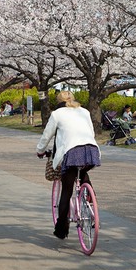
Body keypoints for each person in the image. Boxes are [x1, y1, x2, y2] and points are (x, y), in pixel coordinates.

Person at [36, 91, 101, 240]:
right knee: (83, 173)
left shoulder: (57, 114)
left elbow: (47, 135)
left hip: (71, 152)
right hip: (91, 150)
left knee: (66, 190)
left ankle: (61, 229)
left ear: (58, 101)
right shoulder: (84, 111)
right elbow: (91, 132)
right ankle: (93, 209)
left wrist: (40, 151)